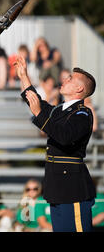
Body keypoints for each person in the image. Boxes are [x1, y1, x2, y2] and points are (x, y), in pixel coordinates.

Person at [15, 54, 97, 232]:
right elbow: (35, 102)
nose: (64, 80)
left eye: (70, 79)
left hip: (73, 189)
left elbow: (65, 136)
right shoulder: (60, 110)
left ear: (79, 88)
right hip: (57, 187)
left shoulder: (83, 114)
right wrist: (23, 76)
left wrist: (39, 114)